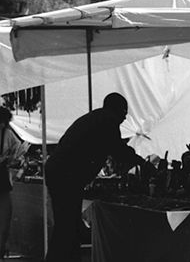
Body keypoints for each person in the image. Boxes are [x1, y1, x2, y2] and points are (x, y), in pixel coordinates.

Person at [45, 93, 145, 262]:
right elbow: (118, 149)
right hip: (66, 177)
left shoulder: (96, 118)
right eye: (124, 112)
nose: (125, 117)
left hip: (61, 174)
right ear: (117, 110)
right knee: (66, 228)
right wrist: (141, 162)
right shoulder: (108, 120)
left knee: (68, 226)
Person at [0, 107, 21, 261]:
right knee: (3, 224)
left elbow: (15, 152)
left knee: (4, 225)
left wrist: (14, 159)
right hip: (3, 185)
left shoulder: (7, 134)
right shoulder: (6, 133)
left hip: (3, 185)